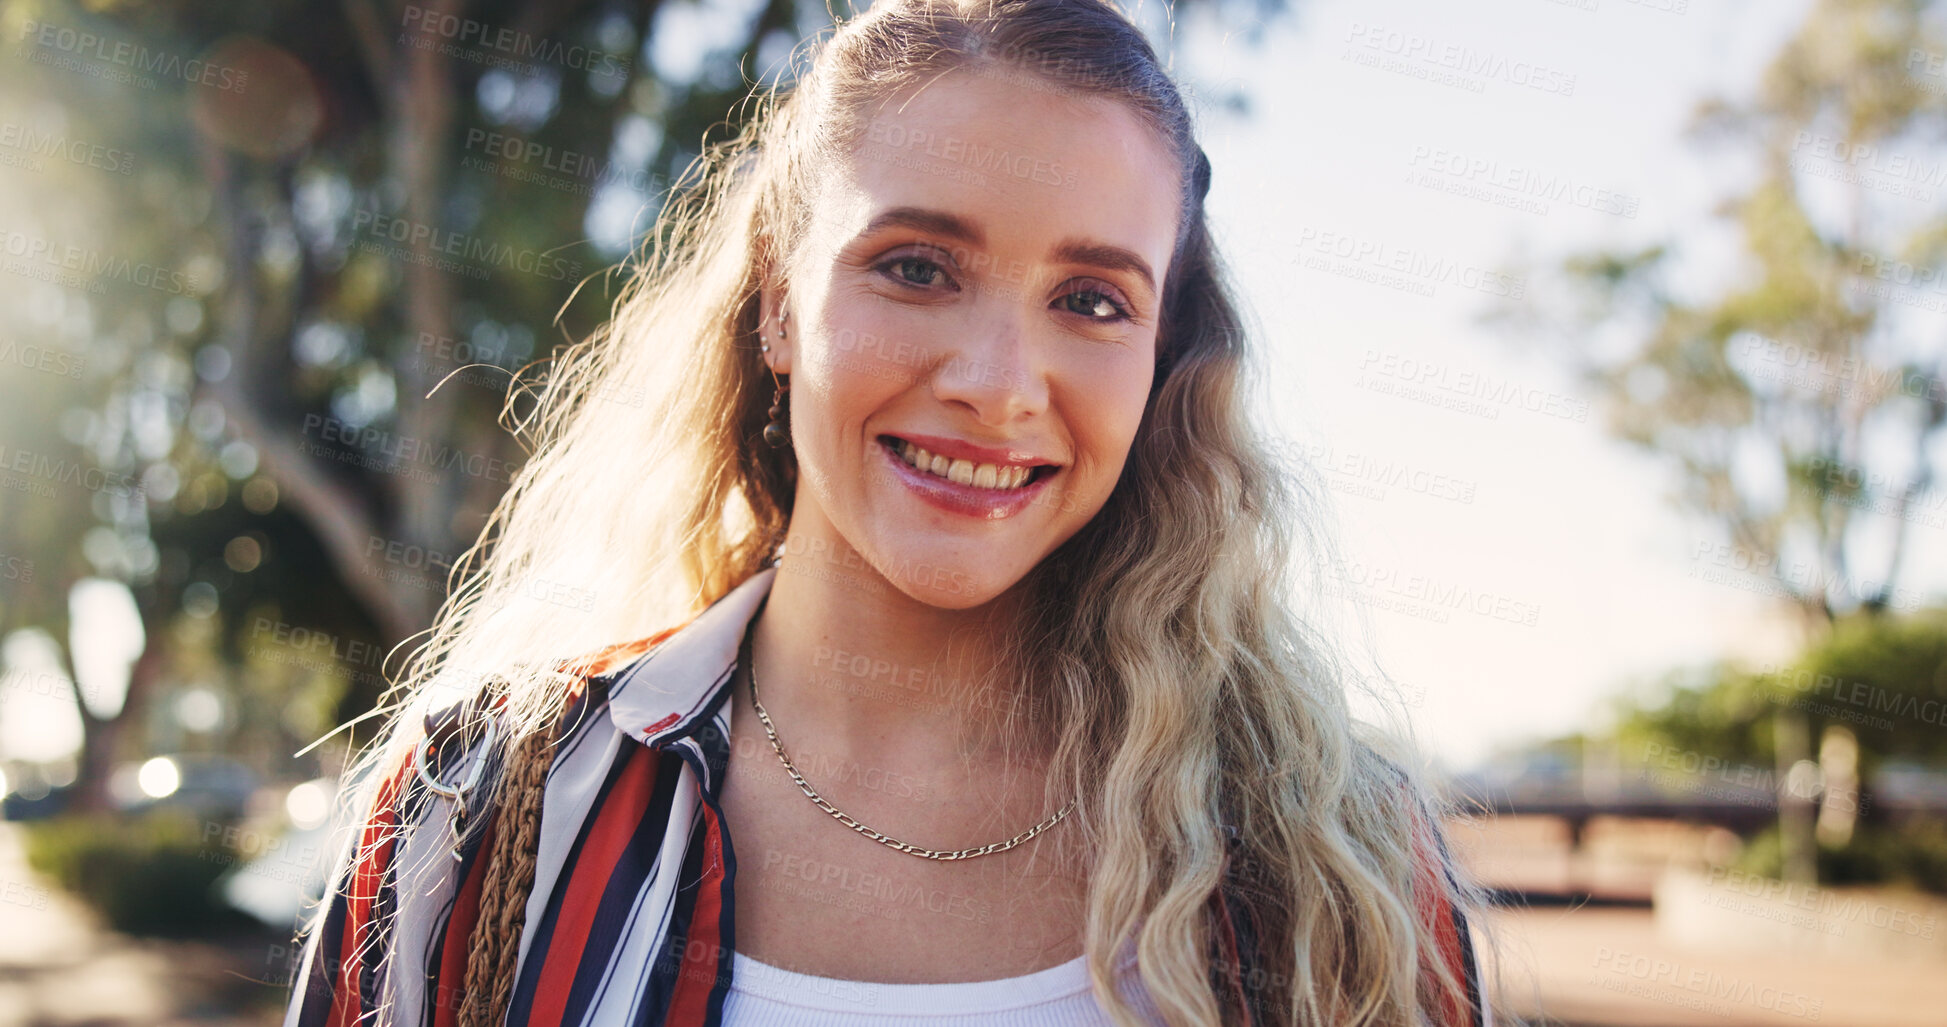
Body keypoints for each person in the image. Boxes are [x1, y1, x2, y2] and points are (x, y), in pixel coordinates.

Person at [281, 0, 1498, 1024]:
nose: (998, 385)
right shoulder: (482, 804)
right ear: (776, 305)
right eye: (917, 268)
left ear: (1164, 359)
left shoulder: (1336, 859)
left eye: (1092, 300)